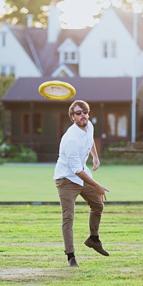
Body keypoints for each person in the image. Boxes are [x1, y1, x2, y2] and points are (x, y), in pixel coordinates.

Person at [53, 99, 112, 267]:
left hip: (81, 173)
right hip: (66, 179)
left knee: (98, 206)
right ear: (72, 117)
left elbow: (90, 139)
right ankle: (70, 256)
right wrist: (96, 185)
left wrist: (95, 156)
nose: (83, 115)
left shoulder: (89, 125)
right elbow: (76, 171)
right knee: (68, 217)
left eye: (85, 112)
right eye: (78, 113)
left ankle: (94, 239)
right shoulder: (71, 139)